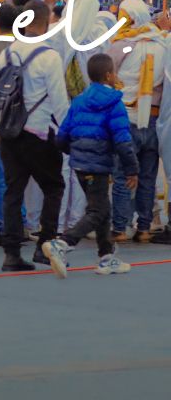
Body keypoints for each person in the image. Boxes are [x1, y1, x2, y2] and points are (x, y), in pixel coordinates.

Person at [42, 53, 137, 278]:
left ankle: (106, 256)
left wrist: (74, 152)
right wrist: (131, 169)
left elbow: (62, 135)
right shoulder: (114, 103)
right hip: (100, 163)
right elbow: (123, 139)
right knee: (99, 210)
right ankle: (63, 243)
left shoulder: (79, 100)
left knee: (101, 208)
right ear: (108, 75)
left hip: (81, 164)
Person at [0, 0, 70, 272]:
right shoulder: (49, 56)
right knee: (53, 187)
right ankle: (45, 244)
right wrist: (68, 134)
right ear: (46, 21)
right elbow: (59, 102)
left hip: (10, 133)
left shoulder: (8, 53)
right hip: (39, 132)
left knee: (13, 191)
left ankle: (11, 253)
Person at [108, 0, 165, 243]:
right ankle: (143, 228)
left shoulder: (121, 46)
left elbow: (106, 78)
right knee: (148, 177)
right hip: (154, 119)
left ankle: (120, 228)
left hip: (125, 120)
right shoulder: (162, 44)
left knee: (122, 175)